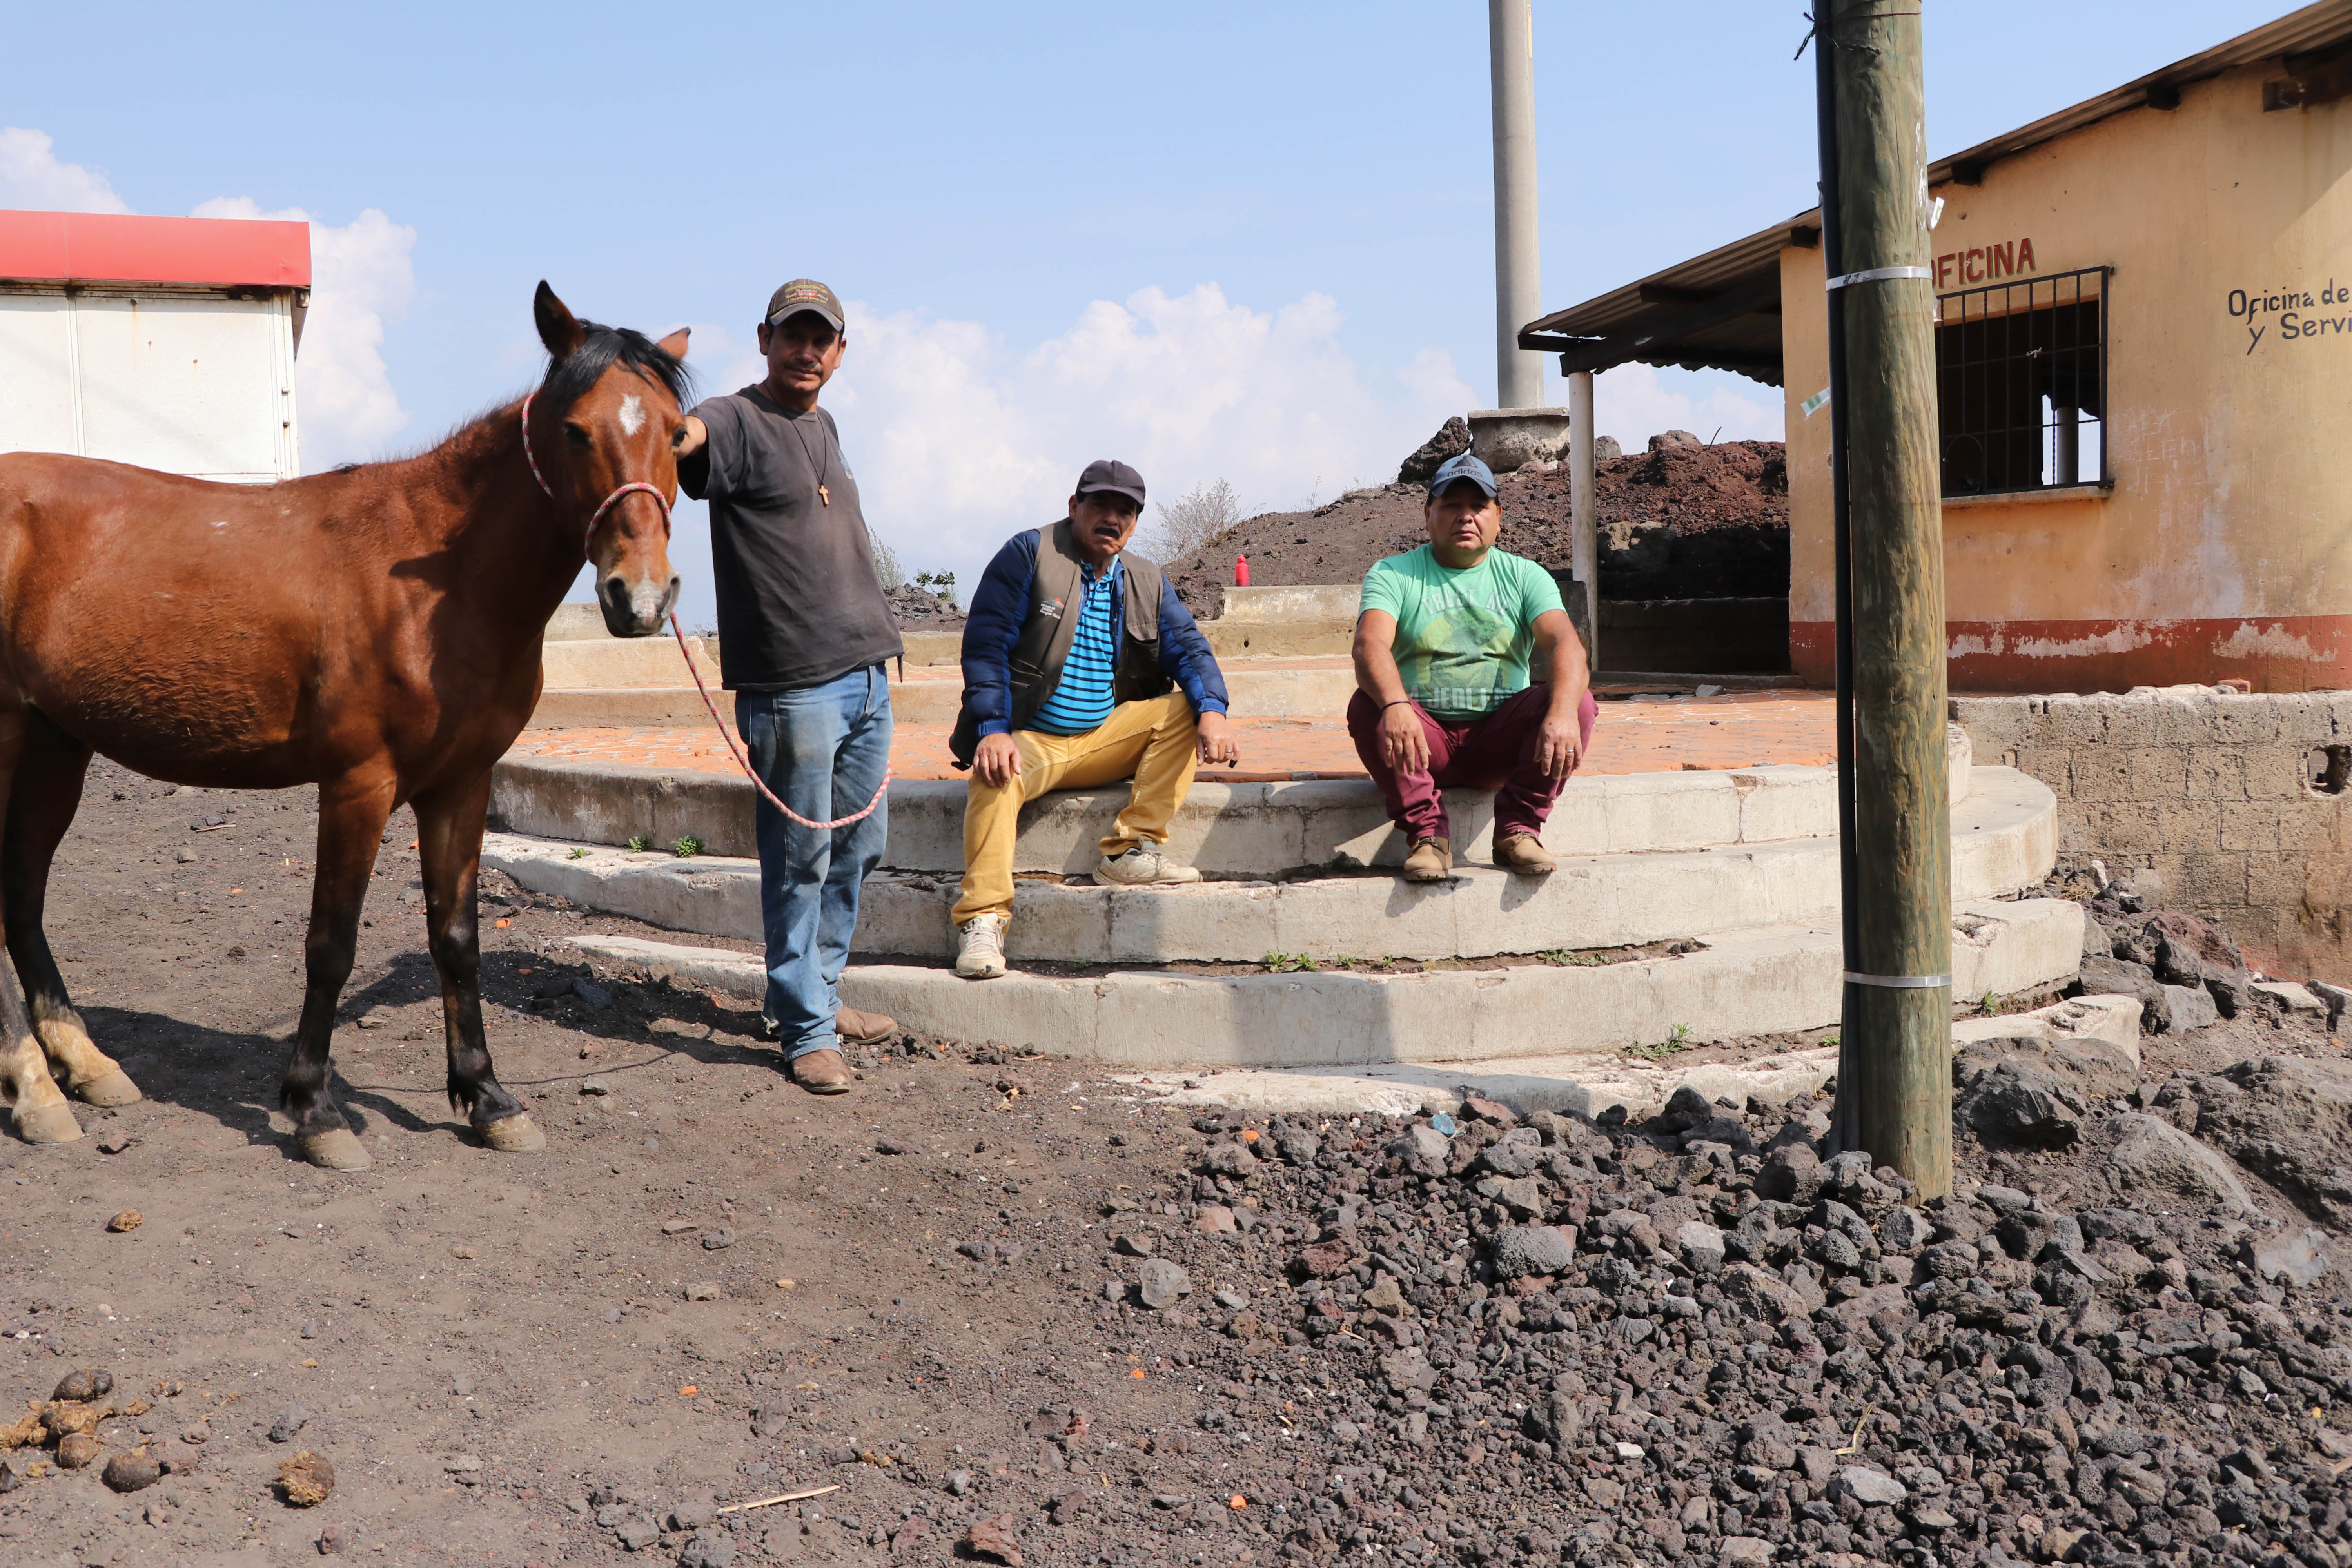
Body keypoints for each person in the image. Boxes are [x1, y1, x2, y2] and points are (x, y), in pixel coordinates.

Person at [673, 278, 899, 1094]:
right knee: (801, 853)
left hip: (867, 677)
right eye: (793, 335)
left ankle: (815, 997)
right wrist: (665, 426)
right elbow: (687, 437)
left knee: (859, 846)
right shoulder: (737, 418)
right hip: (794, 687)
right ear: (764, 338)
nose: (807, 351)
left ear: (839, 351)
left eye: (822, 338)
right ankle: (806, 1030)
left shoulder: (823, 422)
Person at [947, 460, 1238, 979]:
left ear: (1135, 522)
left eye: (1125, 511)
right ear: (1073, 507)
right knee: (994, 775)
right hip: (1029, 739)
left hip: (1102, 738)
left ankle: (1128, 851)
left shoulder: (1146, 579)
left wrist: (1213, 711)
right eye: (1101, 505)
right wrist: (992, 731)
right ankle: (983, 920)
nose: (1112, 518)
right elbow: (986, 646)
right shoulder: (1029, 554)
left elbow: (1189, 651)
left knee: (1183, 709)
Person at [1348, 450, 1597, 881]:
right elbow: (1370, 645)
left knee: (1579, 704)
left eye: (1478, 506)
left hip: (1499, 742)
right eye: (1451, 505)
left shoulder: (1525, 576)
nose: (1466, 517)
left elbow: (1567, 646)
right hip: (1424, 741)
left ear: (1498, 516)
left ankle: (1518, 831)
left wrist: (1560, 713)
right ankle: (1428, 837)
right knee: (1369, 704)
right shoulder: (1394, 574)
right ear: (1429, 513)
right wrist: (1394, 704)